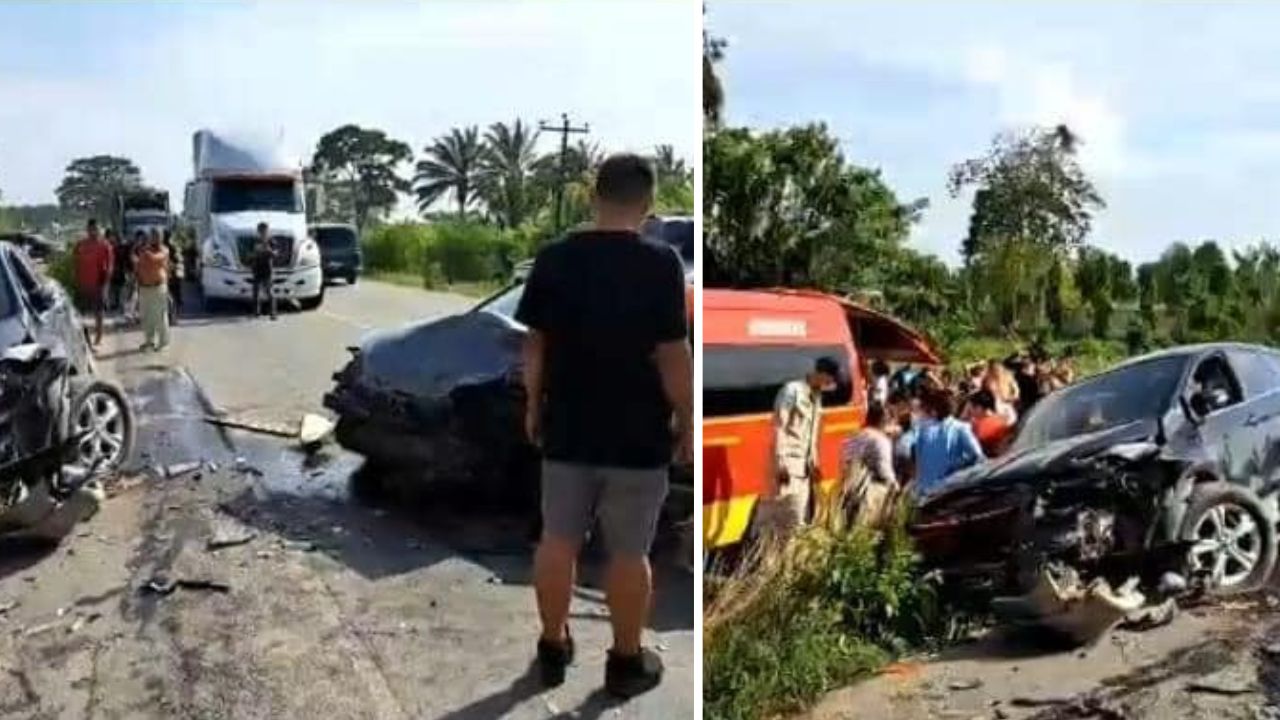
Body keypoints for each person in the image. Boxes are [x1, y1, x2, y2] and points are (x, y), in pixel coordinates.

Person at [514, 153, 691, 698]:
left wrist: (533, 406)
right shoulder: (662, 265)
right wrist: (686, 420)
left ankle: (551, 646)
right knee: (629, 552)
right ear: (648, 204)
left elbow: (535, 344)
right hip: (637, 437)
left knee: (557, 539)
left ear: (594, 195)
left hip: (568, 427)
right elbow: (672, 354)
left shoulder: (554, 259)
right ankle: (625, 661)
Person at [766, 356, 840, 537]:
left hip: (804, 467)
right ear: (821, 374)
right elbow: (779, 427)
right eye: (828, 380)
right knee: (782, 517)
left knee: (799, 516)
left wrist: (814, 463)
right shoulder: (792, 391)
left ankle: (789, 558)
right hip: (788, 463)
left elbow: (811, 434)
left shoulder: (816, 397)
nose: (829, 385)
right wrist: (780, 462)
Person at [898, 388, 985, 497]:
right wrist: (956, 465)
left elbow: (902, 448)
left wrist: (914, 467)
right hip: (950, 491)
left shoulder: (920, 428)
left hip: (923, 492)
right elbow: (978, 456)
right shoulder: (961, 428)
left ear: (934, 411)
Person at [841, 402, 899, 522]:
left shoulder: (852, 436)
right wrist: (896, 488)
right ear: (884, 420)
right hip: (871, 498)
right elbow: (885, 472)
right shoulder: (880, 440)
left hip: (849, 495)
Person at [72, 219, 114, 346]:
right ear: (87, 230)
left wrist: (106, 284)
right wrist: (75, 279)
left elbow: (110, 265)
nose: (93, 232)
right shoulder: (80, 245)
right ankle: (81, 338)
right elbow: (75, 263)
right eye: (91, 229)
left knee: (99, 312)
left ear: (99, 230)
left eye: (95, 229)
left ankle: (98, 337)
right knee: (78, 313)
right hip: (82, 284)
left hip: (99, 284)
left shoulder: (105, 245)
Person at [133, 229, 170, 351]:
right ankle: (149, 341)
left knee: (159, 316)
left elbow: (155, 259)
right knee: (146, 316)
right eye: (153, 236)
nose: (155, 238)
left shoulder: (163, 250)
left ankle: (163, 343)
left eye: (157, 236)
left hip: (158, 288)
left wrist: (143, 253)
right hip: (144, 288)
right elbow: (137, 264)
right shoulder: (145, 250)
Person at [967, 388, 1012, 458]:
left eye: (972, 408)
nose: (971, 412)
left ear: (979, 407)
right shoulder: (1004, 421)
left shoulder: (977, 426)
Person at [249, 222, 277, 319]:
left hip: (267, 269)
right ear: (258, 231)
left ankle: (273, 313)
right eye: (261, 231)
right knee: (256, 292)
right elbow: (249, 255)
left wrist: (268, 250)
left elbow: (276, 254)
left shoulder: (271, 241)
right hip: (257, 268)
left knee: (269, 291)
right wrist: (255, 253)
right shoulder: (255, 241)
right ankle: (256, 312)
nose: (263, 233)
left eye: (264, 231)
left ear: (267, 231)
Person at [163, 229, 184, 321]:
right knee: (173, 295)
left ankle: (171, 315)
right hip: (171, 274)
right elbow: (178, 260)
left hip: (168, 274)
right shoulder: (172, 247)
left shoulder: (163, 247)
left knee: (169, 295)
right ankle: (173, 315)